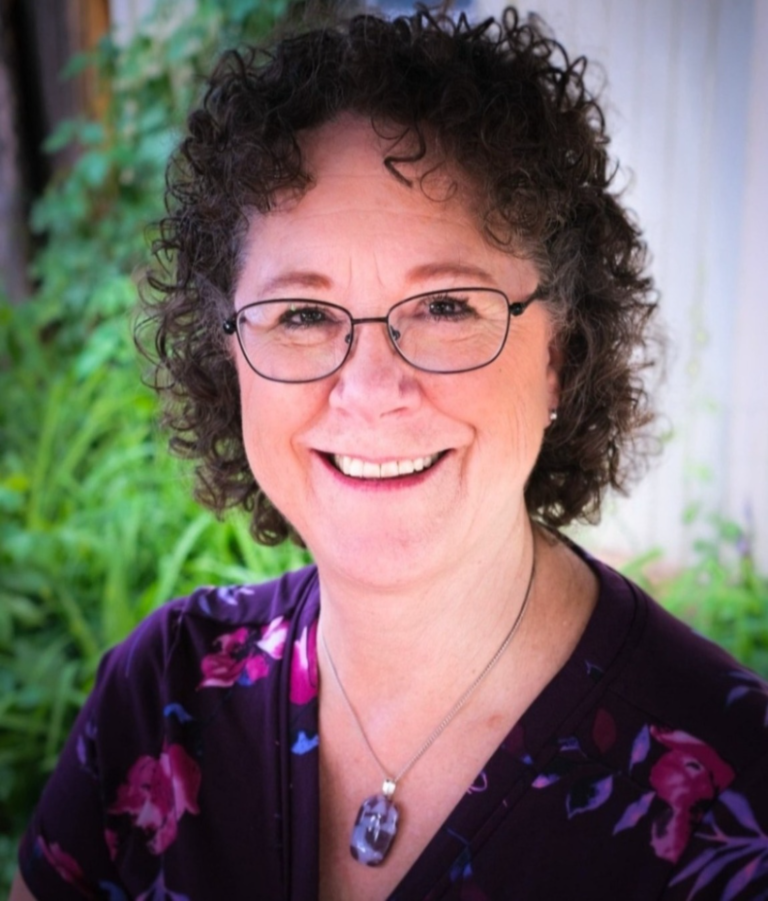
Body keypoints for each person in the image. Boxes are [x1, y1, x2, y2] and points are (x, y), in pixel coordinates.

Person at [12, 7, 768, 901]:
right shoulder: (161, 696)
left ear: (562, 352)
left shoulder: (738, 802)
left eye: (447, 306)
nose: (371, 390)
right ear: (228, 361)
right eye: (300, 314)